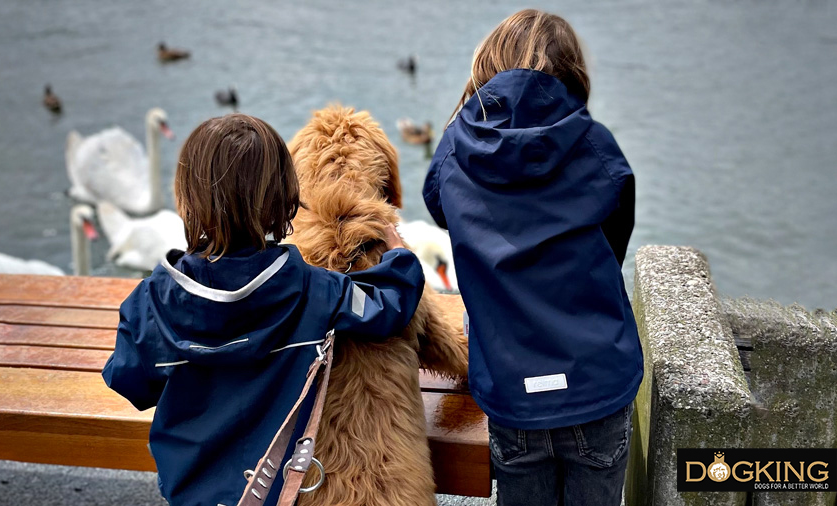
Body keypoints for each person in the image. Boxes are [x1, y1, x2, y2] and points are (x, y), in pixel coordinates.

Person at [103, 113, 425, 506]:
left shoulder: (151, 300)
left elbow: (128, 381)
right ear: (287, 198)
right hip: (272, 489)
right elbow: (387, 308)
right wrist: (399, 260)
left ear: (185, 198)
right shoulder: (313, 289)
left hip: (189, 491)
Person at [422, 9, 643, 506]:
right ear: (572, 75)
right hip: (596, 385)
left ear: (486, 66)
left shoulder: (458, 152)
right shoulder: (595, 146)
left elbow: (441, 209)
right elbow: (614, 243)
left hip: (512, 390)